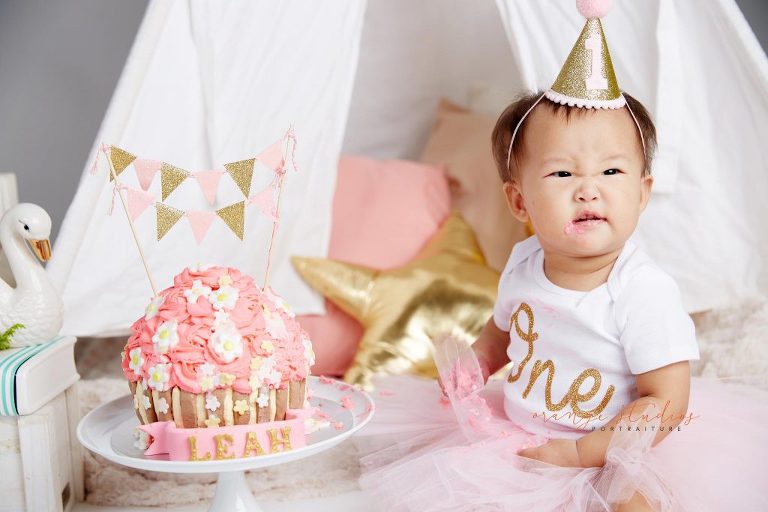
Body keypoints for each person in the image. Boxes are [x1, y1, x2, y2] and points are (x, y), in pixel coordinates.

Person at [358, 2, 768, 511]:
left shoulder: (642, 290)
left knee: (634, 502)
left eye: (611, 172)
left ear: (642, 193)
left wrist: (581, 453)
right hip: (520, 436)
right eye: (562, 174)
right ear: (519, 201)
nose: (588, 190)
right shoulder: (523, 262)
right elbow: (501, 332)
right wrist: (477, 367)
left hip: (617, 448)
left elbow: (666, 402)